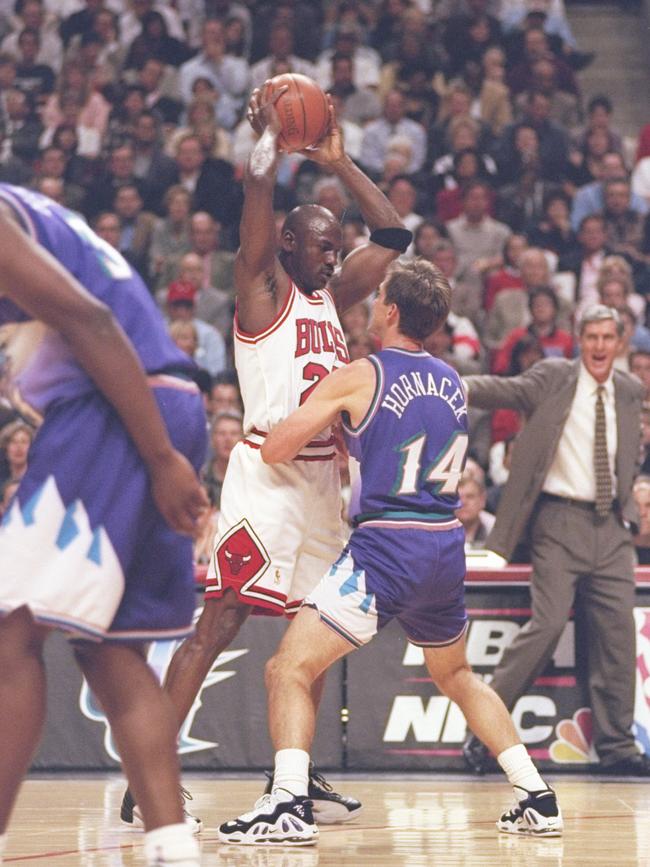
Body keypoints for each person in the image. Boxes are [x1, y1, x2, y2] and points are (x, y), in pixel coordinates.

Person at [120, 85, 410, 828]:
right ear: (286, 245)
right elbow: (256, 191)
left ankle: (292, 776)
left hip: (322, 484)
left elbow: (395, 236)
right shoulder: (261, 287)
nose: (335, 252)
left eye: (335, 244)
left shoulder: (333, 291)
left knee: (309, 638)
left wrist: (341, 162)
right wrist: (269, 143)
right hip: (267, 478)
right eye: (321, 242)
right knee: (218, 621)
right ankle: (145, 775)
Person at [218, 259, 562, 846]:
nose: (373, 303)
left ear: (393, 311)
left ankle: (286, 804)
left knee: (288, 668)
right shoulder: (453, 379)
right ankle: (536, 794)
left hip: (387, 545)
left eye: (379, 296)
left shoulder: (359, 375)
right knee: (456, 675)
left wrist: (304, 407)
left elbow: (277, 449)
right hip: (444, 544)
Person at [0, 184, 209, 867]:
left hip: (120, 411)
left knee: (9, 628)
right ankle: (174, 847)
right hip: (158, 404)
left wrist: (160, 459)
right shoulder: (32, 209)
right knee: (112, 650)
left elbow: (90, 321)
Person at [462, 305, 650, 777]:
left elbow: (628, 455)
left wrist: (629, 508)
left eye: (609, 337)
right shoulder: (552, 377)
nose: (601, 346)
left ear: (620, 343)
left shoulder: (630, 391)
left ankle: (617, 746)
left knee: (617, 636)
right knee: (545, 626)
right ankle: (486, 730)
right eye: (592, 337)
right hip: (557, 521)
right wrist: (446, 381)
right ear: (578, 339)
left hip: (610, 528)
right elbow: (501, 390)